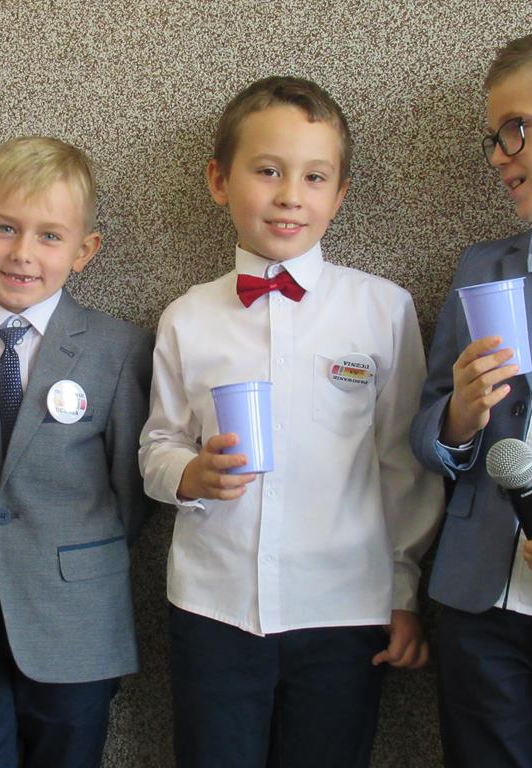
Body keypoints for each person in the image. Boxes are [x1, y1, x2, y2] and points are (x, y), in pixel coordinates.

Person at [139, 77, 442, 767]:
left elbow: (404, 465)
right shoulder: (187, 317)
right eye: (267, 171)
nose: (289, 196)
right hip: (214, 605)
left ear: (339, 194)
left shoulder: (383, 310)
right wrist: (189, 473)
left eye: (314, 176)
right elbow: (157, 443)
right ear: (219, 181)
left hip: (346, 606)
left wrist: (403, 591)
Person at [0, 136, 153, 768]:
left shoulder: (117, 350)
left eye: (49, 236)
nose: (22, 253)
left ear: (84, 250)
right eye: (5, 228)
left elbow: (132, 495)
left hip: (75, 618)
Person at [410, 15, 532, 767]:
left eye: (516, 128)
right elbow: (427, 435)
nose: (496, 155)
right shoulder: (482, 268)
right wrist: (457, 415)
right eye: (494, 136)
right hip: (478, 604)